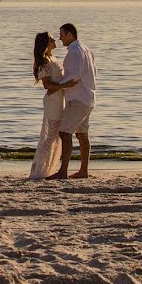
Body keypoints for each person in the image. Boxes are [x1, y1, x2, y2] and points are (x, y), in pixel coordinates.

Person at [47, 23, 97, 180]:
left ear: (69, 34)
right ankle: (84, 171)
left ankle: (63, 171)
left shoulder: (74, 52)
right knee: (82, 134)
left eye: (62, 34)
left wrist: (58, 84)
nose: (60, 38)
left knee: (64, 131)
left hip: (78, 98)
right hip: (88, 97)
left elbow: (73, 76)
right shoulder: (86, 50)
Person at [29, 32, 78, 180]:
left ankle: (49, 167)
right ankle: (40, 170)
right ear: (46, 43)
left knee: (55, 135)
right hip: (53, 101)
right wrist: (66, 84)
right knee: (51, 136)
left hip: (60, 98)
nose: (54, 40)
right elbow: (48, 85)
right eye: (51, 39)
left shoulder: (52, 58)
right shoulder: (43, 62)